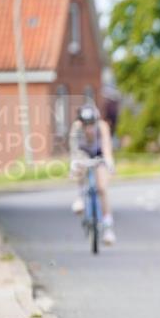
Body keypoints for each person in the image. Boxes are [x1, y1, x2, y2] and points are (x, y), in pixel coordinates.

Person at [69, 104, 117, 245]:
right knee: (79, 166)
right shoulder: (76, 128)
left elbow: (107, 148)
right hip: (83, 153)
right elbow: (74, 150)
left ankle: (108, 228)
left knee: (102, 188)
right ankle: (79, 197)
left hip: (98, 154)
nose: (88, 128)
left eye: (91, 124)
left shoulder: (102, 127)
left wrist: (109, 163)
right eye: (86, 125)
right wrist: (73, 164)